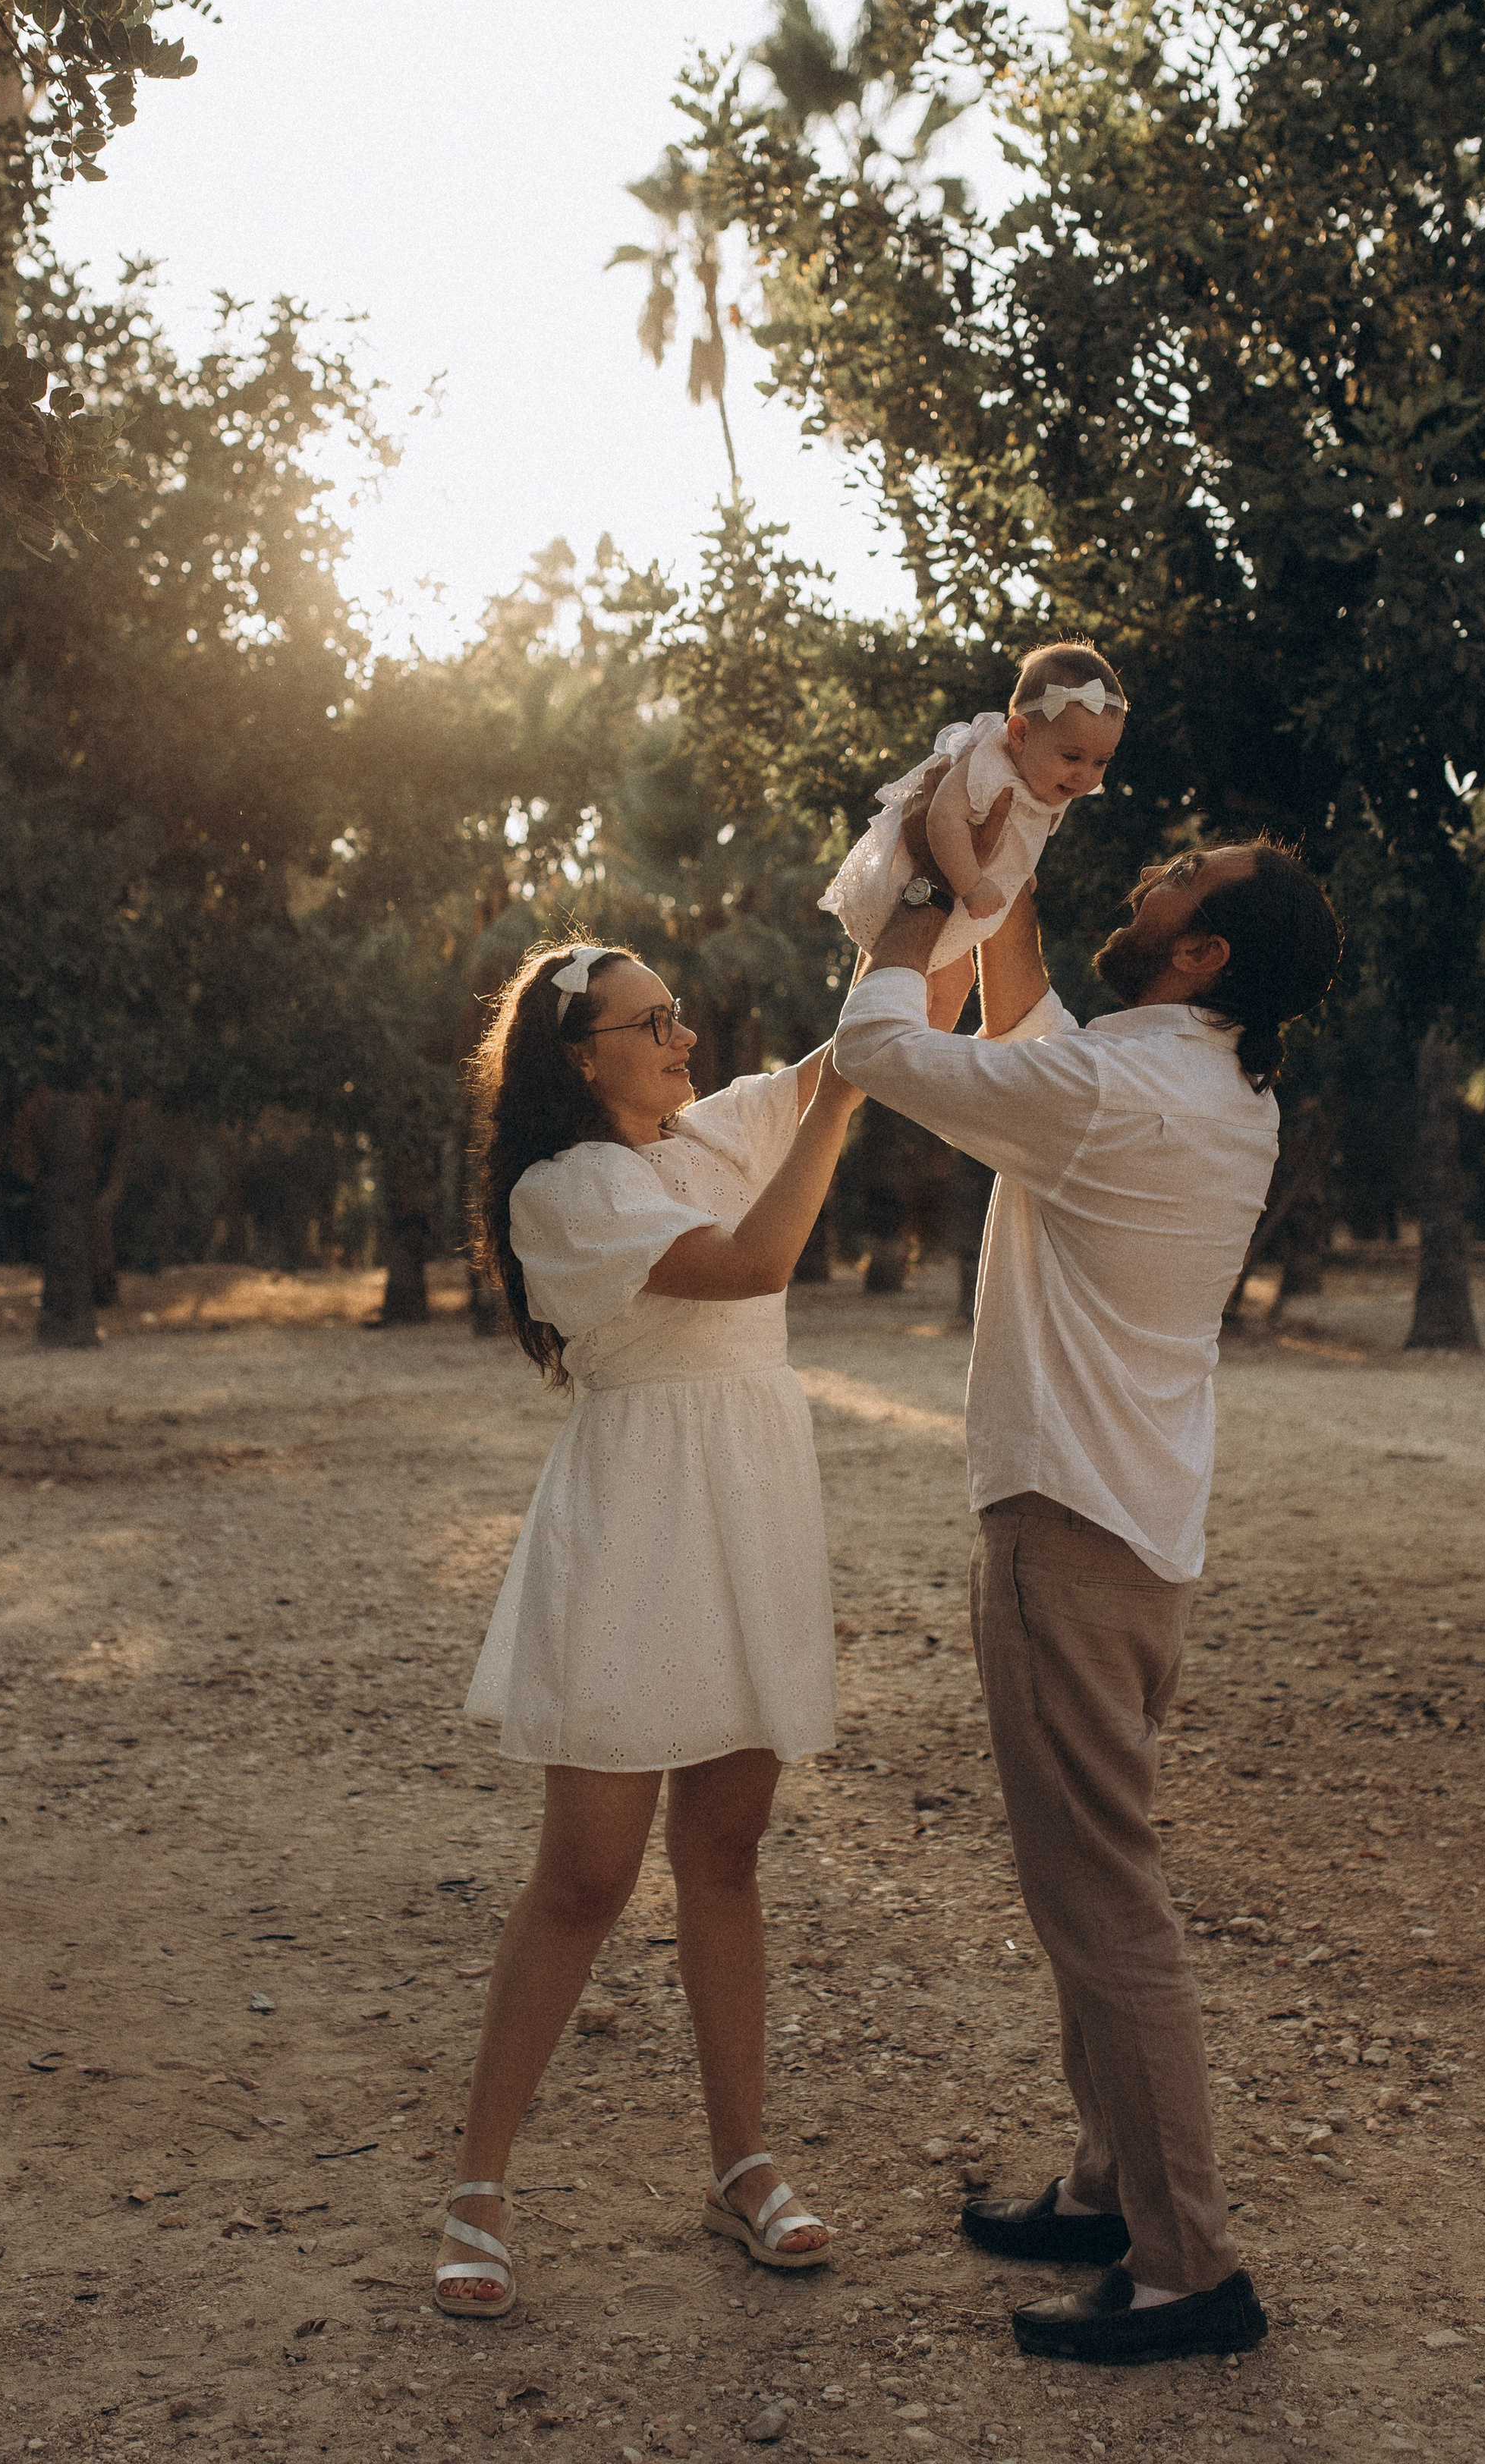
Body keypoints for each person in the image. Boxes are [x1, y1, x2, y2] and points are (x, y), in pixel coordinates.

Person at [832, 829, 1342, 2369]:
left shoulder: (1117, 1095)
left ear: (1202, 955)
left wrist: (925, 884)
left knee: (1099, 1901)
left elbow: (876, 1042)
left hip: (1067, 1534)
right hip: (1130, 1528)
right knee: (1083, 1886)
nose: (1160, 867)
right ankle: (1108, 2189)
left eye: (1183, 876)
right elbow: (1029, 1022)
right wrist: (1008, 850)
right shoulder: (1192, 1077)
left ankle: (1190, 2268)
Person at [433, 940, 864, 2318]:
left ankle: (742, 2163)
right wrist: (846, 1099)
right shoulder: (566, 1191)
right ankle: (479, 2188)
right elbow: (752, 1264)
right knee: (589, 1871)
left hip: (751, 1501)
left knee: (726, 1845)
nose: (685, 1038)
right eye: (652, 1021)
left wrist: (956, 856)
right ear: (581, 1057)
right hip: (634, 1523)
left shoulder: (712, 1131)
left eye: (679, 1016)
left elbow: (868, 1019)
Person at [820, 639, 1126, 966]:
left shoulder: (1052, 777)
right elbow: (942, 819)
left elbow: (1024, 828)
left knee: (957, 977)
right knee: (927, 974)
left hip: (961, 888)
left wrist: (1019, 870)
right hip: (911, 879)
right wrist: (972, 885)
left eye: (1101, 762)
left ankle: (925, 1018)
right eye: (1072, 756)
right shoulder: (987, 766)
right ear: (1020, 735)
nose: (1086, 775)